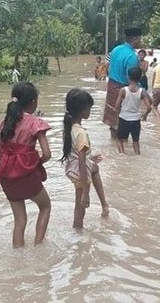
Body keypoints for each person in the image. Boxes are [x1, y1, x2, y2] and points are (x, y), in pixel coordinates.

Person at [0, 81, 52, 247]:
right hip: (27, 176)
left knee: (20, 220)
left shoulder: (6, 123)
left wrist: (13, 165)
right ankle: (38, 246)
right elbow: (47, 154)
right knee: (45, 206)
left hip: (7, 178)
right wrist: (30, 165)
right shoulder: (36, 123)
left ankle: (18, 256)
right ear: (33, 102)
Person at [62, 88, 109, 229]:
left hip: (72, 167)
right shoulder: (81, 133)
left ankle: (104, 206)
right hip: (79, 171)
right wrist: (86, 192)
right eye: (89, 108)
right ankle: (77, 231)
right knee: (80, 205)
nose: (90, 111)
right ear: (83, 110)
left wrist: (90, 156)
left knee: (95, 168)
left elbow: (74, 152)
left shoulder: (69, 127)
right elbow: (82, 163)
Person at [103, 28, 142, 137]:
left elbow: (109, 68)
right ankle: (121, 149)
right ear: (135, 39)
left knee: (113, 121)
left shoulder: (116, 49)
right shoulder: (132, 56)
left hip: (111, 86)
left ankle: (113, 145)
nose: (140, 41)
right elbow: (132, 79)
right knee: (124, 121)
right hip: (123, 90)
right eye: (140, 39)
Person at [115, 66, 152, 154]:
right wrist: (145, 115)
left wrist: (118, 113)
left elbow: (117, 106)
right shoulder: (142, 91)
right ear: (139, 78)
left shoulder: (123, 90)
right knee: (135, 142)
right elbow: (149, 107)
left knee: (119, 140)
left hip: (124, 118)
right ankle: (137, 156)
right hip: (136, 120)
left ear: (128, 77)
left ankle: (122, 156)